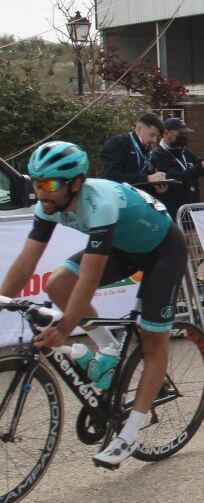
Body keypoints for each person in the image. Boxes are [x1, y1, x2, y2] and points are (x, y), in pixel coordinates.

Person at [0, 142, 187, 468]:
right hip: (124, 248)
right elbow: (25, 262)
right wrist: (2, 301)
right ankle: (110, 350)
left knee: (152, 341)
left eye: (49, 184)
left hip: (162, 250)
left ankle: (128, 436)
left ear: (75, 183)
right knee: (57, 283)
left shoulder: (99, 203)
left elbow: (89, 277)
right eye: (36, 182)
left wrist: (65, 328)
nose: (40, 193)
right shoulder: (48, 205)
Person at [147, 117, 204, 219]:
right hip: (173, 214)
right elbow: (172, 178)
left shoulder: (186, 152)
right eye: (180, 134)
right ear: (166, 133)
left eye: (185, 134)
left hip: (193, 214)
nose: (183, 137)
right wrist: (199, 168)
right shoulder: (157, 155)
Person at [101, 112, 168, 188]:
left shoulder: (150, 153)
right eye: (152, 135)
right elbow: (112, 177)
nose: (154, 140)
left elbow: (149, 180)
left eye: (157, 137)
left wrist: (157, 188)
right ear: (139, 129)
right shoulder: (117, 144)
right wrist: (147, 178)